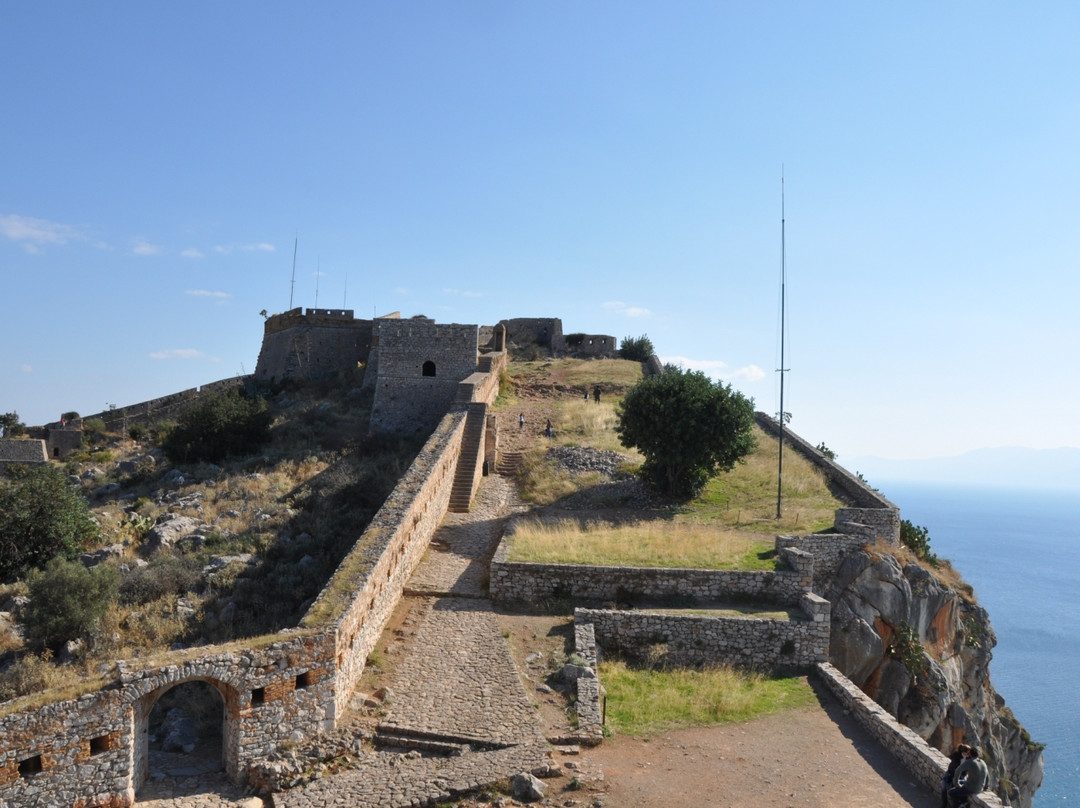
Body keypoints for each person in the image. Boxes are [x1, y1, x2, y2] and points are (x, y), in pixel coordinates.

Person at [941, 744, 971, 808]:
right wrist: (953, 778)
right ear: (963, 752)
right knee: (943, 785)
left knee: (958, 788)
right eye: (967, 753)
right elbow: (955, 768)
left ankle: (960, 804)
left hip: (962, 775)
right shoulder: (956, 755)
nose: (969, 754)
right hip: (951, 773)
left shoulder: (969, 758)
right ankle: (944, 804)